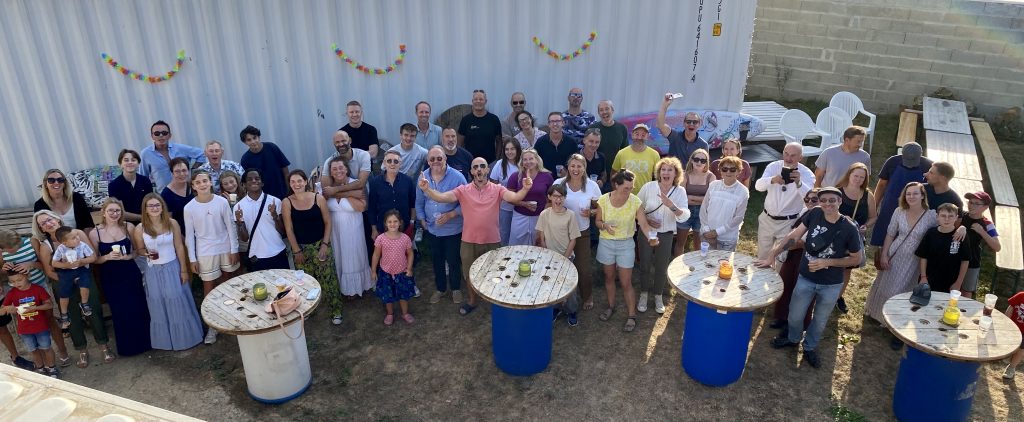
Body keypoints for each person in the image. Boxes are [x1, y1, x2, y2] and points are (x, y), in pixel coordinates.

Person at [757, 187, 863, 369]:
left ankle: (809, 347)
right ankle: (793, 339)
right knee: (795, 315)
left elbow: (856, 258)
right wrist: (772, 254)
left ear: (840, 201)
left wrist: (827, 262)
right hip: (806, 277)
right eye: (824, 200)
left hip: (830, 283)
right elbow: (794, 236)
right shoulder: (814, 213)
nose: (827, 204)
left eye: (832, 200)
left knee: (820, 320)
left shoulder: (849, 228)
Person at [418, 157, 532, 315]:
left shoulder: (498, 189)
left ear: (487, 170)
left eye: (482, 166)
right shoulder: (463, 190)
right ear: (471, 171)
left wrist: (525, 189)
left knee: (495, 272)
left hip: (492, 240)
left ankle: (494, 299)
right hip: (469, 241)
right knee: (469, 273)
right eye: (475, 167)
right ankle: (472, 301)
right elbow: (442, 197)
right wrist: (427, 190)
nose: (479, 169)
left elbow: (514, 198)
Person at [32, 210, 113, 368]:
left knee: (94, 311)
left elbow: (93, 257)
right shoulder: (46, 246)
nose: (48, 223)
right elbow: (49, 271)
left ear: (57, 219)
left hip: (84, 279)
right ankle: (82, 350)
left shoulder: (77, 234)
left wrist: (80, 265)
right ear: (41, 228)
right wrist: (68, 279)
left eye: (49, 219)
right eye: (43, 223)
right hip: (63, 283)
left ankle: (104, 346)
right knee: (72, 317)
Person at [863, 183, 936, 348]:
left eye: (915, 193)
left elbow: (949, 222)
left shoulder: (931, 216)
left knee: (902, 291)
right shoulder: (899, 211)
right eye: (908, 193)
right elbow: (890, 234)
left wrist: (962, 229)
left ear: (922, 196)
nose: (911, 196)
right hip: (896, 253)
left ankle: (895, 324)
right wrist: (884, 254)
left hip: (915, 259)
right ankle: (878, 314)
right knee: (886, 286)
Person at [133, 194, 204, 351]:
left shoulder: (172, 223)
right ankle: (165, 341)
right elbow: (139, 250)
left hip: (172, 267)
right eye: (151, 206)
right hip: (153, 270)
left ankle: (185, 338)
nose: (154, 208)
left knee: (176, 298)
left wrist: (183, 270)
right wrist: (146, 253)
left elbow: (179, 246)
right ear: (145, 209)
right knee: (157, 301)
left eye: (157, 205)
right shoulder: (140, 228)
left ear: (162, 206)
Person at [594, 170, 659, 332]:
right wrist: (605, 226)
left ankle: (631, 315)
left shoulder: (635, 202)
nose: (629, 191)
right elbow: (598, 221)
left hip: (626, 244)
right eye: (626, 188)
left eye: (631, 188)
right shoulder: (603, 199)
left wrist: (651, 238)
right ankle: (611, 306)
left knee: (626, 282)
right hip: (606, 243)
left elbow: (644, 224)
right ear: (616, 185)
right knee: (609, 277)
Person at [87, 198, 151, 357]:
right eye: (111, 210)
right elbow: (94, 259)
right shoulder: (95, 233)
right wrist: (107, 257)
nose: (114, 213)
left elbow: (137, 251)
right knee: (120, 310)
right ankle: (128, 347)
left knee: (138, 306)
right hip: (110, 275)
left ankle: (147, 342)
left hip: (130, 271)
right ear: (103, 212)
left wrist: (129, 256)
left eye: (117, 210)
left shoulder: (128, 227)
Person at [183, 170, 240, 345]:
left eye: (205, 181)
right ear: (193, 186)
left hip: (225, 247)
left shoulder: (221, 202)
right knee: (208, 287)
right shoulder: (189, 208)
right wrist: (192, 259)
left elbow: (230, 227)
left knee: (227, 284)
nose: (202, 184)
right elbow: (189, 236)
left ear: (210, 182)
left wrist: (234, 249)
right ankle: (212, 326)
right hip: (205, 252)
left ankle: (231, 319)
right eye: (198, 182)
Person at [282, 170, 341, 325]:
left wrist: (325, 245)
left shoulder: (318, 198)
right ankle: (309, 309)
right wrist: (296, 250)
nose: (296, 184)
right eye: (293, 182)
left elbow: (328, 222)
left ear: (305, 181)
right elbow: (289, 229)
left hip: (320, 244)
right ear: (289, 184)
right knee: (306, 281)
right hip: (301, 248)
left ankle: (336, 310)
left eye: (299, 181)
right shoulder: (287, 202)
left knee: (329, 279)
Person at [0, 228, 65, 369]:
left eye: (13, 248)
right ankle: (42, 362)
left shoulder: (31, 242)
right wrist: (4, 268)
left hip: (38, 286)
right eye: (8, 250)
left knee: (49, 320)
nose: (11, 252)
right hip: (18, 292)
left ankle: (62, 352)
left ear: (18, 241)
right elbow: (2, 271)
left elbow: (45, 265)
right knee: (27, 321)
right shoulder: (1, 251)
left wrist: (30, 264)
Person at [636, 157, 690, 314]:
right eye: (663, 170)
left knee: (661, 266)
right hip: (646, 232)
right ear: (659, 173)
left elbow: (684, 215)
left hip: (666, 234)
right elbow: (637, 207)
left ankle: (658, 295)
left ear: (676, 174)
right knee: (645, 264)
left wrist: (671, 206)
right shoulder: (649, 187)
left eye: (669, 170)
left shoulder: (680, 191)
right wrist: (647, 220)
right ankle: (644, 294)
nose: (666, 173)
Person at [416, 147, 467, 304]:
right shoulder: (423, 177)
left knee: (453, 260)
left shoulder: (458, 177)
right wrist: (422, 219)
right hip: (432, 229)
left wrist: (451, 214)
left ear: (445, 159)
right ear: (428, 161)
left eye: (439, 158)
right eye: (432, 159)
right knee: (437, 260)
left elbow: (467, 203)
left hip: (453, 229)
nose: (436, 162)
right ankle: (441, 289)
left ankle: (456, 289)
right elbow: (419, 201)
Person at [767, 188, 820, 332]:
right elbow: (793, 235)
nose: (810, 202)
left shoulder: (821, 217)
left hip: (808, 257)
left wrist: (792, 245)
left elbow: (803, 242)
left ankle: (796, 325)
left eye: (814, 199)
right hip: (793, 254)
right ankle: (781, 317)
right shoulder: (804, 212)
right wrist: (785, 248)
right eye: (807, 199)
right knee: (786, 284)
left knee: (802, 292)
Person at [555, 154, 601, 310]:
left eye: (579, 166)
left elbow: (601, 208)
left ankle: (587, 296)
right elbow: (550, 204)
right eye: (572, 166)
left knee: (583, 268)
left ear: (584, 168)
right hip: (561, 233)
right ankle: (560, 298)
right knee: (561, 266)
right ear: (568, 167)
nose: (575, 169)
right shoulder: (559, 183)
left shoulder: (592, 186)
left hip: (582, 232)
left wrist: (592, 212)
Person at [755, 143, 814, 262]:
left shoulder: (807, 173)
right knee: (762, 258)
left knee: (781, 259)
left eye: (793, 155)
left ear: (800, 157)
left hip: (789, 223)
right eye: (786, 154)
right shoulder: (773, 166)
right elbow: (758, 186)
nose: (788, 158)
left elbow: (810, 199)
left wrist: (799, 183)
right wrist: (772, 180)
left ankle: (777, 274)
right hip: (767, 219)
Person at [325, 157, 373, 296]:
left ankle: (357, 288)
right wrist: (351, 194)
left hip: (353, 229)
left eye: (341, 167)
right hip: (335, 231)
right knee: (339, 257)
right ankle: (343, 287)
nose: (338, 171)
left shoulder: (356, 184)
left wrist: (340, 192)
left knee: (354, 257)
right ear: (331, 172)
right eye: (334, 169)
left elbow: (361, 207)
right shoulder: (327, 188)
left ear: (346, 169)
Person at [834, 162, 877, 313]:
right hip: (834, 236)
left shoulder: (868, 195)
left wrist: (865, 226)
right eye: (855, 176)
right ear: (849, 175)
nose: (858, 179)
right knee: (830, 266)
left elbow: (873, 217)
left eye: (861, 177)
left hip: (854, 238)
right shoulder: (837, 191)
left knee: (847, 269)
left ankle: (838, 297)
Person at [536, 184, 581, 326]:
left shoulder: (570, 215)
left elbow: (573, 239)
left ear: (565, 198)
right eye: (555, 196)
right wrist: (546, 251)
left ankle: (571, 310)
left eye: (561, 196)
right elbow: (542, 236)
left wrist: (565, 258)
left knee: (569, 285)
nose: (558, 199)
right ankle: (555, 308)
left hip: (566, 257)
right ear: (549, 197)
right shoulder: (544, 214)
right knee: (551, 284)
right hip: (549, 257)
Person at [871, 142, 932, 247]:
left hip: (914, 208)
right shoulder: (892, 162)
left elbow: (932, 187)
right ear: (902, 153)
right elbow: (881, 185)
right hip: (890, 206)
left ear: (921, 154)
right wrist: (874, 206)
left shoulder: (928, 165)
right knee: (884, 238)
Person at [0, 271, 58, 378]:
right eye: (12, 282)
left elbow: (49, 305)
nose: (16, 283)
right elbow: (2, 311)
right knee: (33, 350)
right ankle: (40, 369)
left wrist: (35, 307)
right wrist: (8, 308)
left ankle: (52, 368)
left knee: (47, 348)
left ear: (28, 276)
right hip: (24, 330)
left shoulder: (38, 289)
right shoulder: (12, 293)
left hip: (41, 327)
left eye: (19, 280)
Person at [233, 169, 289, 271]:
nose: (254, 181)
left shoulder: (275, 201)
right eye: (249, 179)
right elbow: (244, 238)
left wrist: (275, 216)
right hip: (257, 256)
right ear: (244, 184)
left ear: (262, 183)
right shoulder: (238, 207)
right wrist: (240, 224)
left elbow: (283, 231)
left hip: (278, 251)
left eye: (257, 178)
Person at [370, 210, 416, 325]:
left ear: (400, 223)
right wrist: (373, 270)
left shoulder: (405, 238)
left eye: (395, 221)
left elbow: (410, 253)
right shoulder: (381, 239)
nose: (392, 224)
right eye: (389, 221)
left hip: (402, 272)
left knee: (403, 295)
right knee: (387, 295)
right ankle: (390, 313)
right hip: (386, 273)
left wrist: (409, 268)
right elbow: (376, 255)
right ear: (385, 224)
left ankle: (405, 313)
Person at [915, 203, 970, 293]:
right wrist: (923, 277)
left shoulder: (961, 236)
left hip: (951, 282)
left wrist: (958, 283)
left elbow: (965, 261)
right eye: (943, 216)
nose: (947, 219)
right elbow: (923, 256)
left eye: (951, 216)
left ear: (956, 217)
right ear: (937, 217)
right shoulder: (930, 233)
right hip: (929, 280)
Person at [139, 120, 205, 192]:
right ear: (152, 136)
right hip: (164, 195)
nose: (161, 136)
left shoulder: (180, 149)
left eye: (164, 133)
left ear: (169, 135)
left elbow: (202, 153)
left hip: (187, 192)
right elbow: (143, 178)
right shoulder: (145, 154)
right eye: (157, 133)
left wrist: (192, 171)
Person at [699, 156, 749, 252]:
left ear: (739, 171)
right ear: (720, 171)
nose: (728, 172)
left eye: (732, 169)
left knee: (723, 262)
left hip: (727, 239)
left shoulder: (743, 191)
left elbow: (738, 218)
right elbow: (703, 208)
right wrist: (706, 229)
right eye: (725, 169)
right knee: (705, 260)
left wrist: (717, 232)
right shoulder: (713, 185)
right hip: (707, 233)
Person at [50, 226, 96, 328]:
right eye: (74, 238)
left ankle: (84, 303)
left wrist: (82, 261)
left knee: (85, 284)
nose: (78, 238)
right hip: (66, 271)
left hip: (81, 268)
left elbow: (92, 258)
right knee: (64, 292)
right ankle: (64, 313)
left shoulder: (82, 245)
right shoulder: (61, 248)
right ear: (65, 243)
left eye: (77, 235)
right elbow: (54, 263)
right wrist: (66, 265)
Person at [506, 150, 555, 246]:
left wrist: (543, 216)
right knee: (516, 246)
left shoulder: (547, 176)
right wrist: (524, 204)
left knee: (537, 244)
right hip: (520, 217)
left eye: (531, 159)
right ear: (522, 162)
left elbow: (551, 199)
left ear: (537, 160)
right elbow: (508, 198)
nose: (528, 162)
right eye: (525, 159)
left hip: (539, 218)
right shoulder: (516, 176)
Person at [960, 192, 1001, 298]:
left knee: (966, 291)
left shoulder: (987, 223)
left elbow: (997, 247)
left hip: (972, 262)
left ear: (985, 207)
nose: (971, 205)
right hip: (954, 258)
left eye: (976, 203)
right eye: (970, 202)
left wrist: (982, 232)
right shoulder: (961, 216)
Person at [676, 149, 716, 256]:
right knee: (680, 243)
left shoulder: (711, 177)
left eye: (703, 160)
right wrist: (702, 199)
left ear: (706, 163)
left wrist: (691, 197)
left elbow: (711, 199)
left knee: (698, 245)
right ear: (691, 160)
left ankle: (698, 265)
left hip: (702, 213)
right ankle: (676, 265)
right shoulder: (685, 175)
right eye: (696, 159)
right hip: (685, 211)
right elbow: (682, 198)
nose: (699, 162)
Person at [239, 125, 291, 200]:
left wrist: (289, 190)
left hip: (282, 192)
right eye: (249, 140)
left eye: (254, 138)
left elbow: (285, 170)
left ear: (259, 137)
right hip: (263, 197)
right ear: (245, 142)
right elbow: (249, 182)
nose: (253, 141)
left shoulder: (272, 147)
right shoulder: (245, 159)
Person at [611, 124, 661, 194]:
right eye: (637, 134)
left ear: (647, 137)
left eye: (643, 135)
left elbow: (659, 177)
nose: (639, 138)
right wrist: (616, 191)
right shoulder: (621, 153)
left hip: (645, 195)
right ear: (632, 135)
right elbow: (614, 174)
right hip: (625, 195)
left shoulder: (654, 154)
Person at [107, 149, 154, 222]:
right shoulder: (114, 185)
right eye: (126, 160)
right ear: (120, 164)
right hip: (125, 223)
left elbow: (151, 204)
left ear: (138, 164)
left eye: (133, 160)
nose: (130, 162)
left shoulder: (145, 181)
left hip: (148, 221)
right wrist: (143, 218)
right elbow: (121, 213)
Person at [658, 94, 708, 161]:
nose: (691, 124)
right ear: (684, 123)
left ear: (699, 124)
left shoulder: (703, 145)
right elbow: (661, 126)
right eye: (688, 122)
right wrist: (665, 105)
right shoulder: (675, 136)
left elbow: (705, 164)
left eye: (695, 122)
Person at [490, 139, 521, 246]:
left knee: (518, 236)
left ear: (517, 149)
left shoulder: (523, 164)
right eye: (507, 149)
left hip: (521, 208)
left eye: (512, 149)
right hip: (504, 208)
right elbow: (493, 186)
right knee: (504, 235)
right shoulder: (499, 164)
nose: (509, 152)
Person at [458, 89, 502, 162]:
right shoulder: (466, 120)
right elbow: (459, 144)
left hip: (490, 163)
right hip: (470, 163)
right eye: (476, 99)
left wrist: (496, 160)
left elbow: (499, 142)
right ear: (472, 101)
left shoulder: (494, 119)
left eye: (481, 99)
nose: (478, 101)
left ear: (485, 101)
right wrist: (463, 159)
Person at [587, 100, 629, 178]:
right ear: (598, 113)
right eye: (601, 110)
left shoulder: (622, 128)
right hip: (596, 174)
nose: (604, 112)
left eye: (607, 109)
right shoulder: (592, 128)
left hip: (615, 174)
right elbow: (587, 151)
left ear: (612, 110)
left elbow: (625, 152)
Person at [535, 112, 580, 178]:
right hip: (545, 179)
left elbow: (577, 162)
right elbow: (535, 163)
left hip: (567, 179)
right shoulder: (540, 142)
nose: (555, 124)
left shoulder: (571, 143)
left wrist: (568, 173)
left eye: (558, 121)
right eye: (552, 121)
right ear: (549, 124)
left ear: (563, 123)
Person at [161, 157, 194, 235]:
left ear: (188, 171)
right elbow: (168, 220)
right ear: (172, 173)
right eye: (177, 171)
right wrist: (180, 237)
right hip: (181, 234)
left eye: (184, 170)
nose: (181, 174)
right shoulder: (166, 194)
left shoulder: (194, 186)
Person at [1003, 292, 1024, 379]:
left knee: (1021, 350)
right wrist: (1005, 322)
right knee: (1006, 343)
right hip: (1012, 327)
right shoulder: (1021, 295)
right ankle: (1004, 356)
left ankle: (1011, 367)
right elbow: (1011, 307)